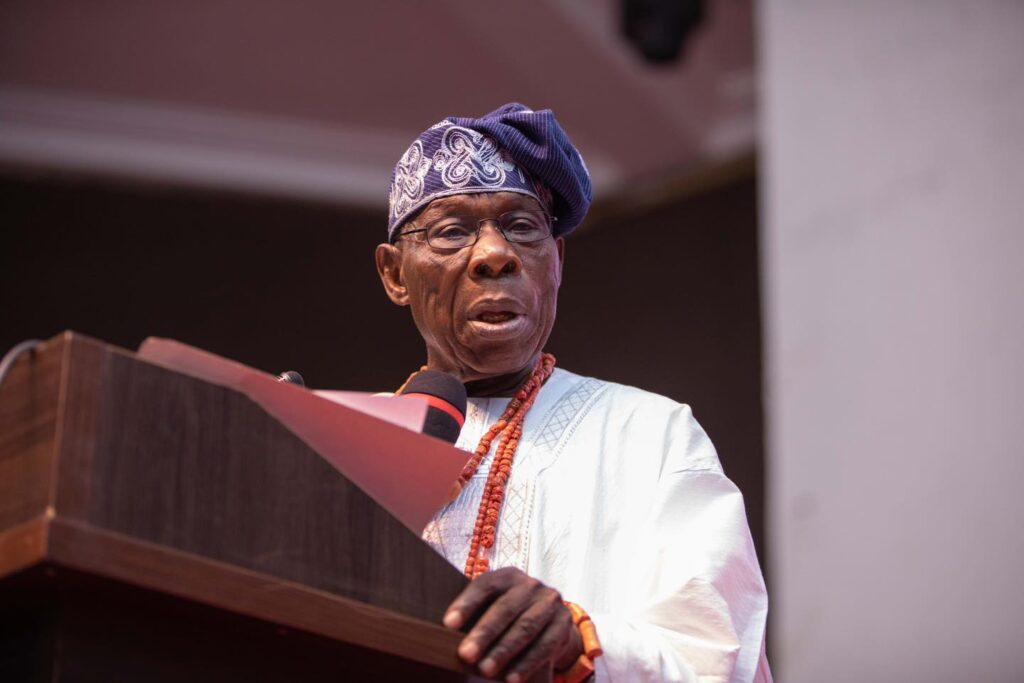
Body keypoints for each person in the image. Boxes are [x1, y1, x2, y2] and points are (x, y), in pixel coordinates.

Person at [375, 103, 771, 683]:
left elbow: (717, 654)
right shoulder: (344, 441)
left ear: (555, 261)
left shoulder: (648, 433)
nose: (495, 254)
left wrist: (579, 641)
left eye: (521, 227)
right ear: (394, 274)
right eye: (452, 231)